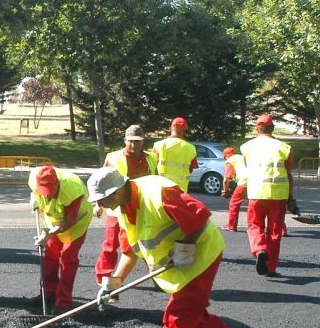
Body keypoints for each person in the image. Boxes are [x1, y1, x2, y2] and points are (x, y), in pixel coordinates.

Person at [87, 167, 253, 328]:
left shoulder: (159, 192)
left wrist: (183, 250)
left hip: (201, 258)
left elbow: (199, 216)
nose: (102, 204)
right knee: (194, 316)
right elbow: (130, 252)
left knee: (176, 320)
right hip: (180, 266)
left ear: (117, 190)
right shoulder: (123, 209)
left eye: (103, 198)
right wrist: (113, 284)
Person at [94, 124, 157, 284]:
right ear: (125, 141)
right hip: (115, 211)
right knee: (110, 245)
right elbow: (101, 182)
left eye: (138, 141)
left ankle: (157, 277)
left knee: (142, 245)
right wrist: (98, 204)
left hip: (138, 210)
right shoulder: (114, 157)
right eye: (130, 141)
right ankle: (103, 278)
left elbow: (154, 181)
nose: (134, 145)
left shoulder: (151, 158)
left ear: (143, 141)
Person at [29, 165, 93, 313]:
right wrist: (35, 201)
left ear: (57, 183)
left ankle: (64, 302)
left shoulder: (72, 190)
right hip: (53, 218)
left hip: (76, 223)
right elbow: (35, 194)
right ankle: (48, 293)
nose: (47, 196)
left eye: (50, 192)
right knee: (50, 256)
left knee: (68, 258)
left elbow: (70, 220)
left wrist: (48, 234)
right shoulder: (34, 179)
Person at [240, 114, 298, 276]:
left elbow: (248, 169)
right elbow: (288, 174)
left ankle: (259, 250)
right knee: (274, 231)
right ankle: (271, 268)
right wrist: (291, 199)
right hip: (278, 195)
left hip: (256, 194)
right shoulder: (285, 148)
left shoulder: (246, 147)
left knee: (254, 225)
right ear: (272, 128)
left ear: (257, 128)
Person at [152, 117, 198, 192]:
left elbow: (152, 166)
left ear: (171, 128)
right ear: (184, 130)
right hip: (182, 191)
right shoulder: (191, 148)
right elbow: (191, 169)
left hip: (162, 188)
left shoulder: (159, 145)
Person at [221, 147, 248, 231]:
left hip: (244, 182)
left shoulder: (229, 161)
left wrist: (225, 191)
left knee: (234, 204)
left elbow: (226, 179)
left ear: (225, 156)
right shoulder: (241, 157)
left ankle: (231, 226)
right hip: (255, 182)